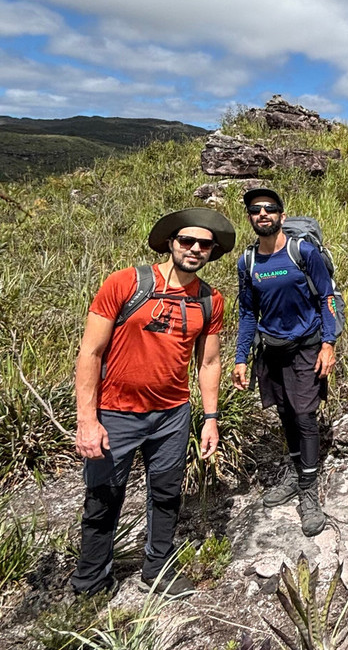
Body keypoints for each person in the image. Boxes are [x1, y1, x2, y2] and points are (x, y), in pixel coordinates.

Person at [72, 207, 235, 597]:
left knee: (166, 494)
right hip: (115, 412)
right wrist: (87, 421)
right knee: (103, 498)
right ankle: (91, 582)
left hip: (172, 415)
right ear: (170, 243)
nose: (195, 249)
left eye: (204, 245)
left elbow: (209, 361)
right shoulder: (126, 283)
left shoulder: (210, 301)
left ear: (212, 252)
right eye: (187, 241)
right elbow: (90, 353)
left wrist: (210, 418)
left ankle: (157, 569)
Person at [231, 188, 337, 537]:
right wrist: (241, 356)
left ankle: (309, 490)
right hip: (271, 350)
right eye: (255, 210)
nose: (263, 214)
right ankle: (295, 472)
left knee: (305, 416)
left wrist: (328, 344)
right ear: (249, 217)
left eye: (270, 209)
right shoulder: (247, 262)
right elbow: (248, 312)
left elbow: (326, 298)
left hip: (306, 347)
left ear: (282, 215)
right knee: (284, 413)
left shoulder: (302, 252)